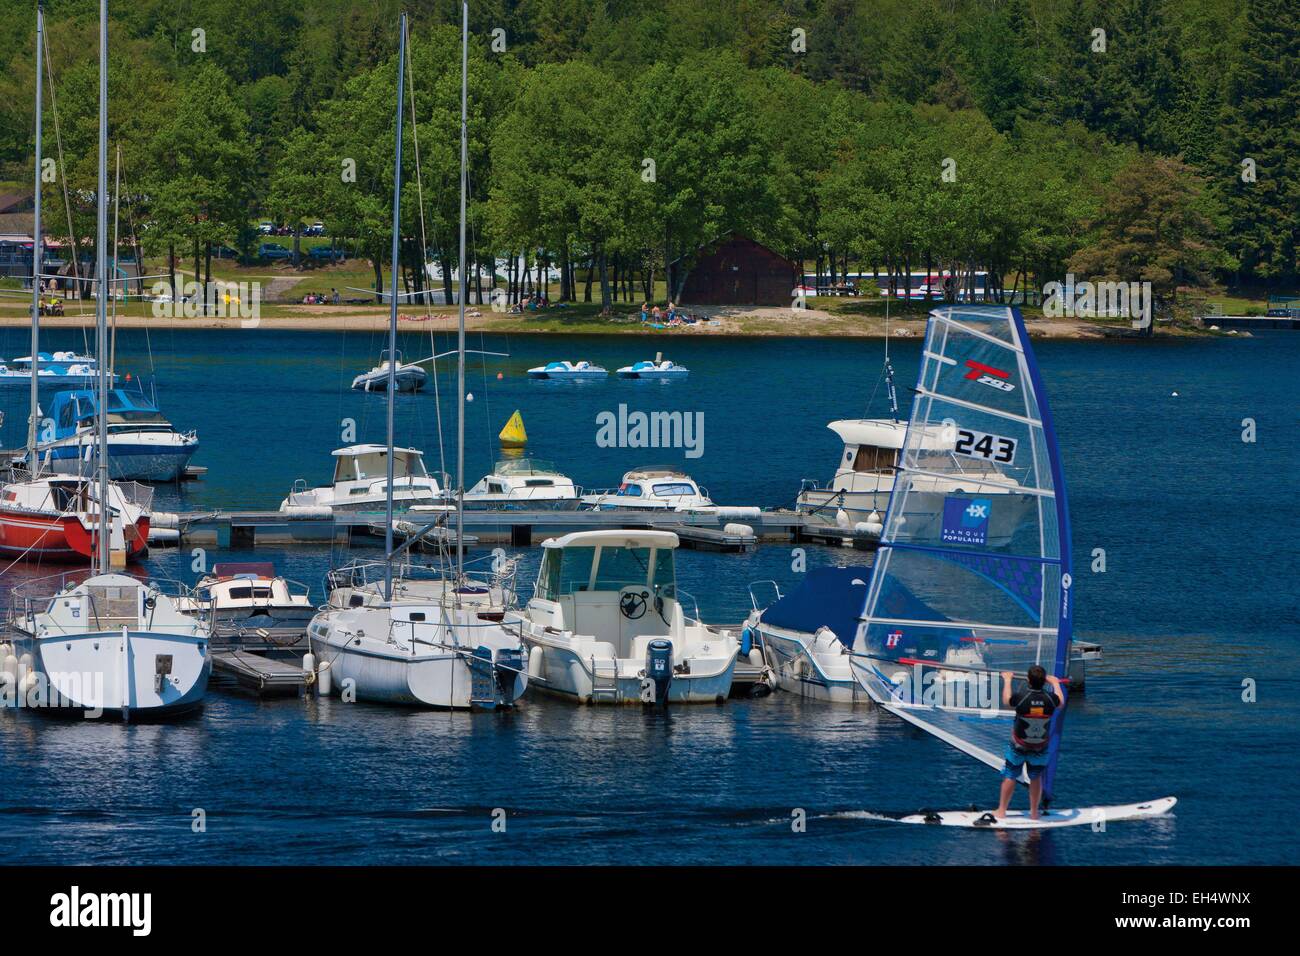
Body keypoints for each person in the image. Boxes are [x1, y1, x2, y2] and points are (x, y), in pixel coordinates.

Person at [993, 665, 1064, 820]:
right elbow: (1061, 702)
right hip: (1040, 746)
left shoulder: (1022, 697)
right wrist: (1056, 683)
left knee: (1010, 775)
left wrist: (1007, 680)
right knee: (1035, 777)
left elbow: (1006, 700)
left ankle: (1001, 811)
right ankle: (1033, 813)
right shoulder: (1050, 699)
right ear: (1044, 681)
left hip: (1019, 745)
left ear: (1028, 681)